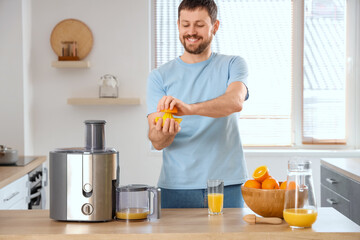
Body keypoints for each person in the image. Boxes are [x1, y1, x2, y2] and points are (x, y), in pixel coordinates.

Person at [146, 0, 249, 208]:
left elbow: (235, 101)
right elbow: (157, 142)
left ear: (215, 26)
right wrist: (166, 132)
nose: (191, 31)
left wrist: (188, 109)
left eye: (199, 25)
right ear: (178, 25)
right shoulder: (159, 77)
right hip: (176, 187)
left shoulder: (233, 64)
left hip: (227, 186)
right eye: (185, 24)